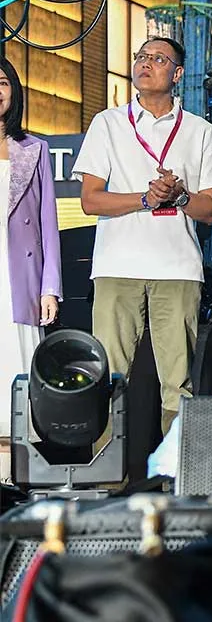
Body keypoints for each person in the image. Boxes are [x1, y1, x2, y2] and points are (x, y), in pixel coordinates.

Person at [73, 37, 212, 433]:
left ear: (177, 74)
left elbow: (210, 209)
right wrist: (145, 198)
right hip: (116, 265)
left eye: (158, 58)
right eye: (141, 56)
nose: (145, 63)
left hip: (177, 268)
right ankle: (104, 481)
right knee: (106, 378)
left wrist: (178, 197)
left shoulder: (198, 131)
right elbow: (91, 200)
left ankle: (175, 481)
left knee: (178, 385)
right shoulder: (107, 123)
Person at [0, 57, 61, 437]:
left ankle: (12, 476)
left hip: (16, 276)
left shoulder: (33, 149)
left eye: (2, 82)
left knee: (14, 379)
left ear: (14, 92)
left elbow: (48, 225)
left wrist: (49, 288)